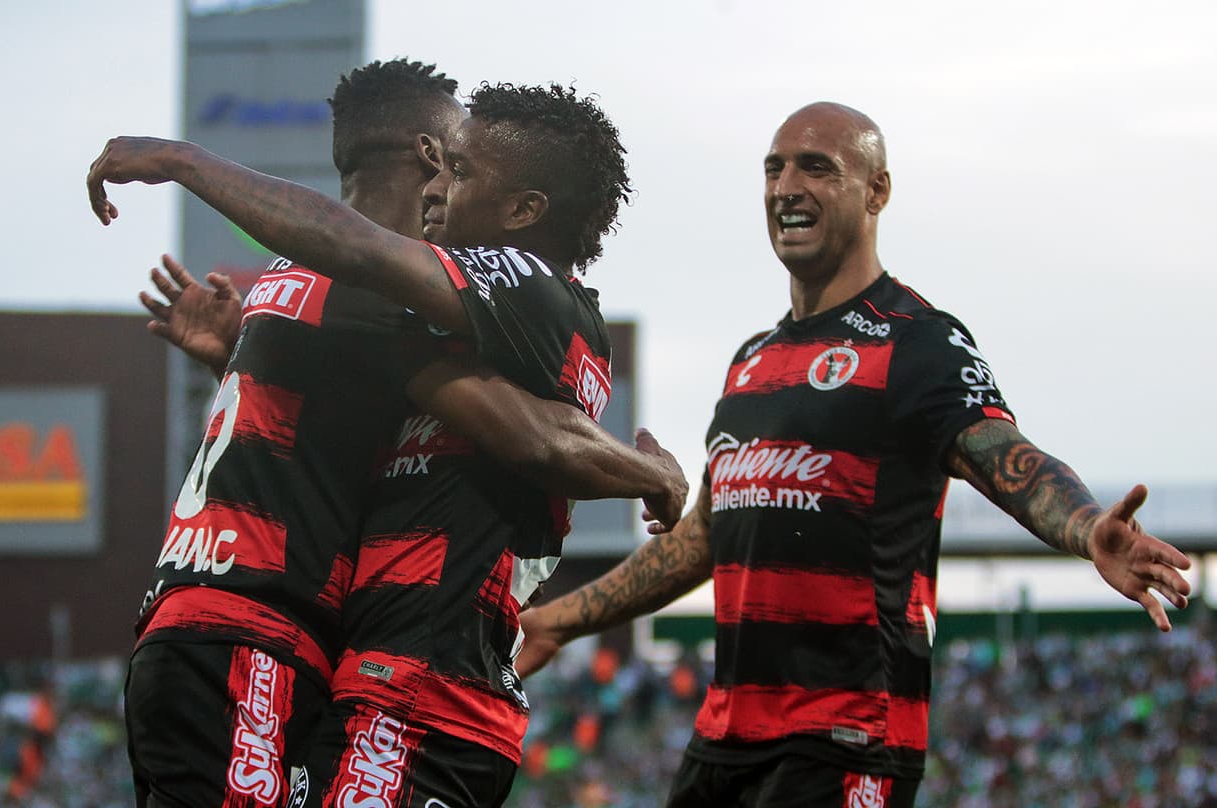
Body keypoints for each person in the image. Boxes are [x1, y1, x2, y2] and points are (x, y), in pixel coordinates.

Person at [512, 102, 1194, 808]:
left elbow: (1006, 455)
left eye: (817, 167)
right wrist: (558, 620)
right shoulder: (752, 363)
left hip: (847, 739)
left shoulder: (917, 341)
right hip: (724, 742)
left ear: (877, 192)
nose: (786, 187)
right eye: (774, 169)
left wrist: (1086, 528)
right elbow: (707, 539)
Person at [103, 60, 684, 807]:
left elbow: (541, 439)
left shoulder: (531, 291)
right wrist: (254, 352)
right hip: (306, 661)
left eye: (461, 170)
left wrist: (183, 162)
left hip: (418, 693)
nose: (440, 187)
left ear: (522, 211)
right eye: (443, 164)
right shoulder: (374, 302)